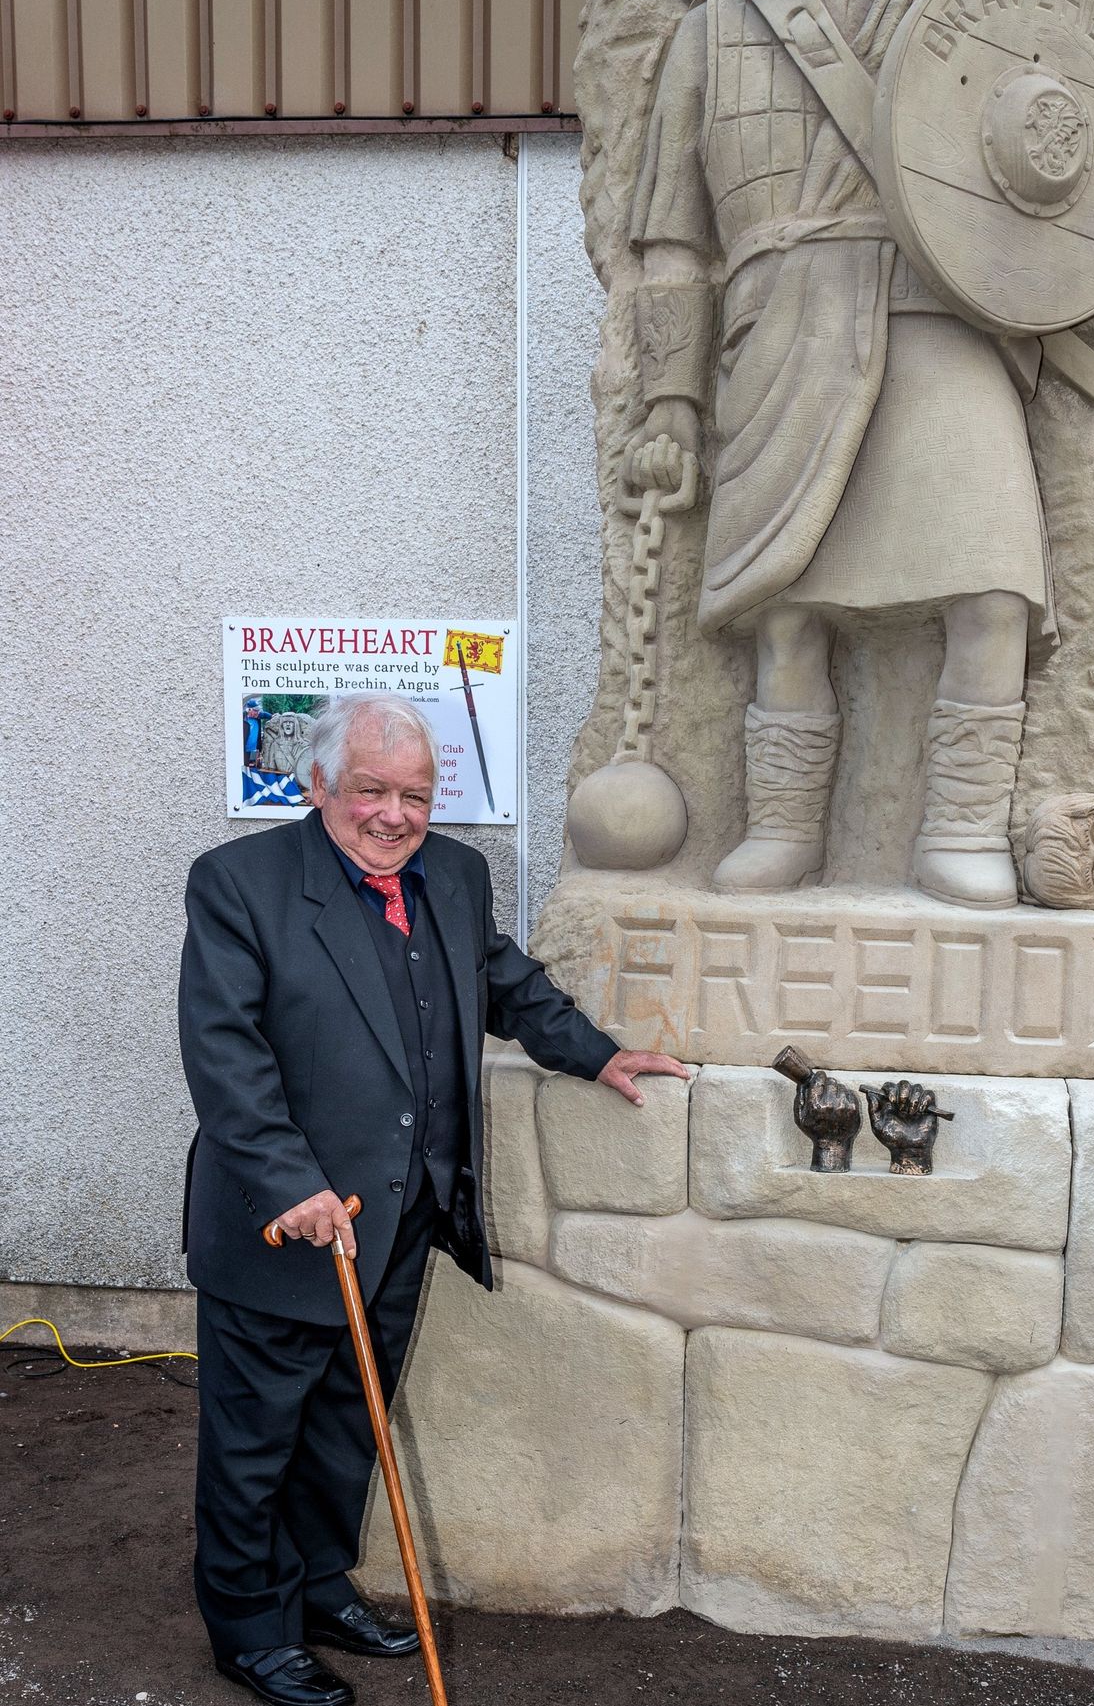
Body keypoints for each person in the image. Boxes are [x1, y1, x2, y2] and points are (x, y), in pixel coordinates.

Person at [179, 692, 687, 1706]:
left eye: (415, 794)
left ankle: (319, 1588)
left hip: (403, 1216)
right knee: (255, 1440)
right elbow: (226, 1056)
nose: (395, 814)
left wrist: (595, 1054)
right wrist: (291, 1183)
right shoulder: (240, 885)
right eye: (372, 789)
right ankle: (249, 1627)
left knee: (344, 1422)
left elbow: (506, 984)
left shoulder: (452, 876)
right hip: (290, 1225)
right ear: (319, 784)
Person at [627, 0, 1054, 909]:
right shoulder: (721, 19)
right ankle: (784, 829)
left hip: (935, 310)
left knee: (989, 582)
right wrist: (666, 398)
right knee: (787, 607)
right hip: (784, 316)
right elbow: (670, 236)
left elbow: (1052, 168)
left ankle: (961, 826)